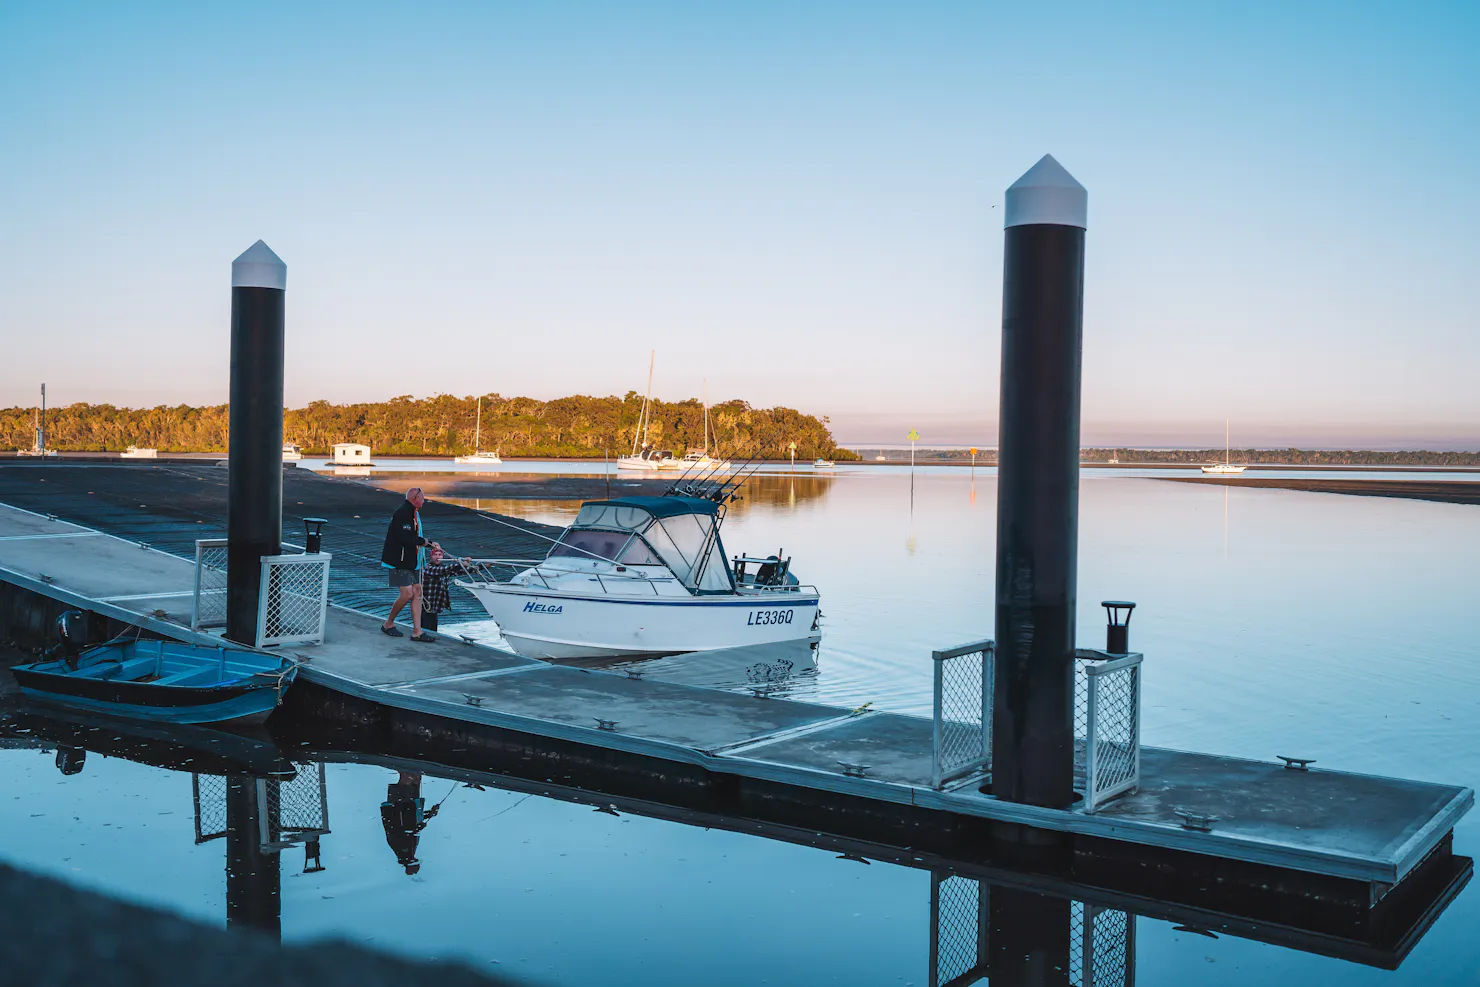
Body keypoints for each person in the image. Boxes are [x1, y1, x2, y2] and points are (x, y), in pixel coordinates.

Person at [380, 487, 439, 642]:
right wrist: (426, 542)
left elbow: (414, 537)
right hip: (399, 561)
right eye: (422, 497)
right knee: (407, 594)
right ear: (415, 498)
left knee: (417, 592)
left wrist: (429, 544)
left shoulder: (414, 512)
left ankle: (417, 631)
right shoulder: (402, 513)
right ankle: (388, 624)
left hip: (414, 561)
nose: (424, 500)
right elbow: (406, 538)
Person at [419, 545, 472, 633]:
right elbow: (441, 570)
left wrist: (477, 567)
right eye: (435, 555)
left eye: (440, 555)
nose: (437, 557)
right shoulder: (427, 567)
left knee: (433, 625)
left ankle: (431, 637)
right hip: (425, 602)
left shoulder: (445, 569)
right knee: (425, 624)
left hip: (436, 602)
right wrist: (460, 564)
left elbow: (462, 571)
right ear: (431, 557)